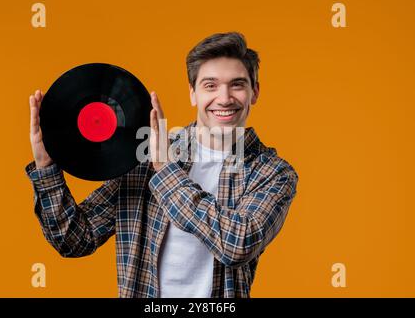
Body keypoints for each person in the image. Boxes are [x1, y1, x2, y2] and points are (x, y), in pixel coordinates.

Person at [26, 32, 298, 298]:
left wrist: (167, 170)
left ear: (255, 92)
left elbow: (237, 244)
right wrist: (46, 166)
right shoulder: (144, 154)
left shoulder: (274, 173)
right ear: (193, 93)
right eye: (210, 85)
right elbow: (74, 241)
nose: (224, 98)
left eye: (237, 84)